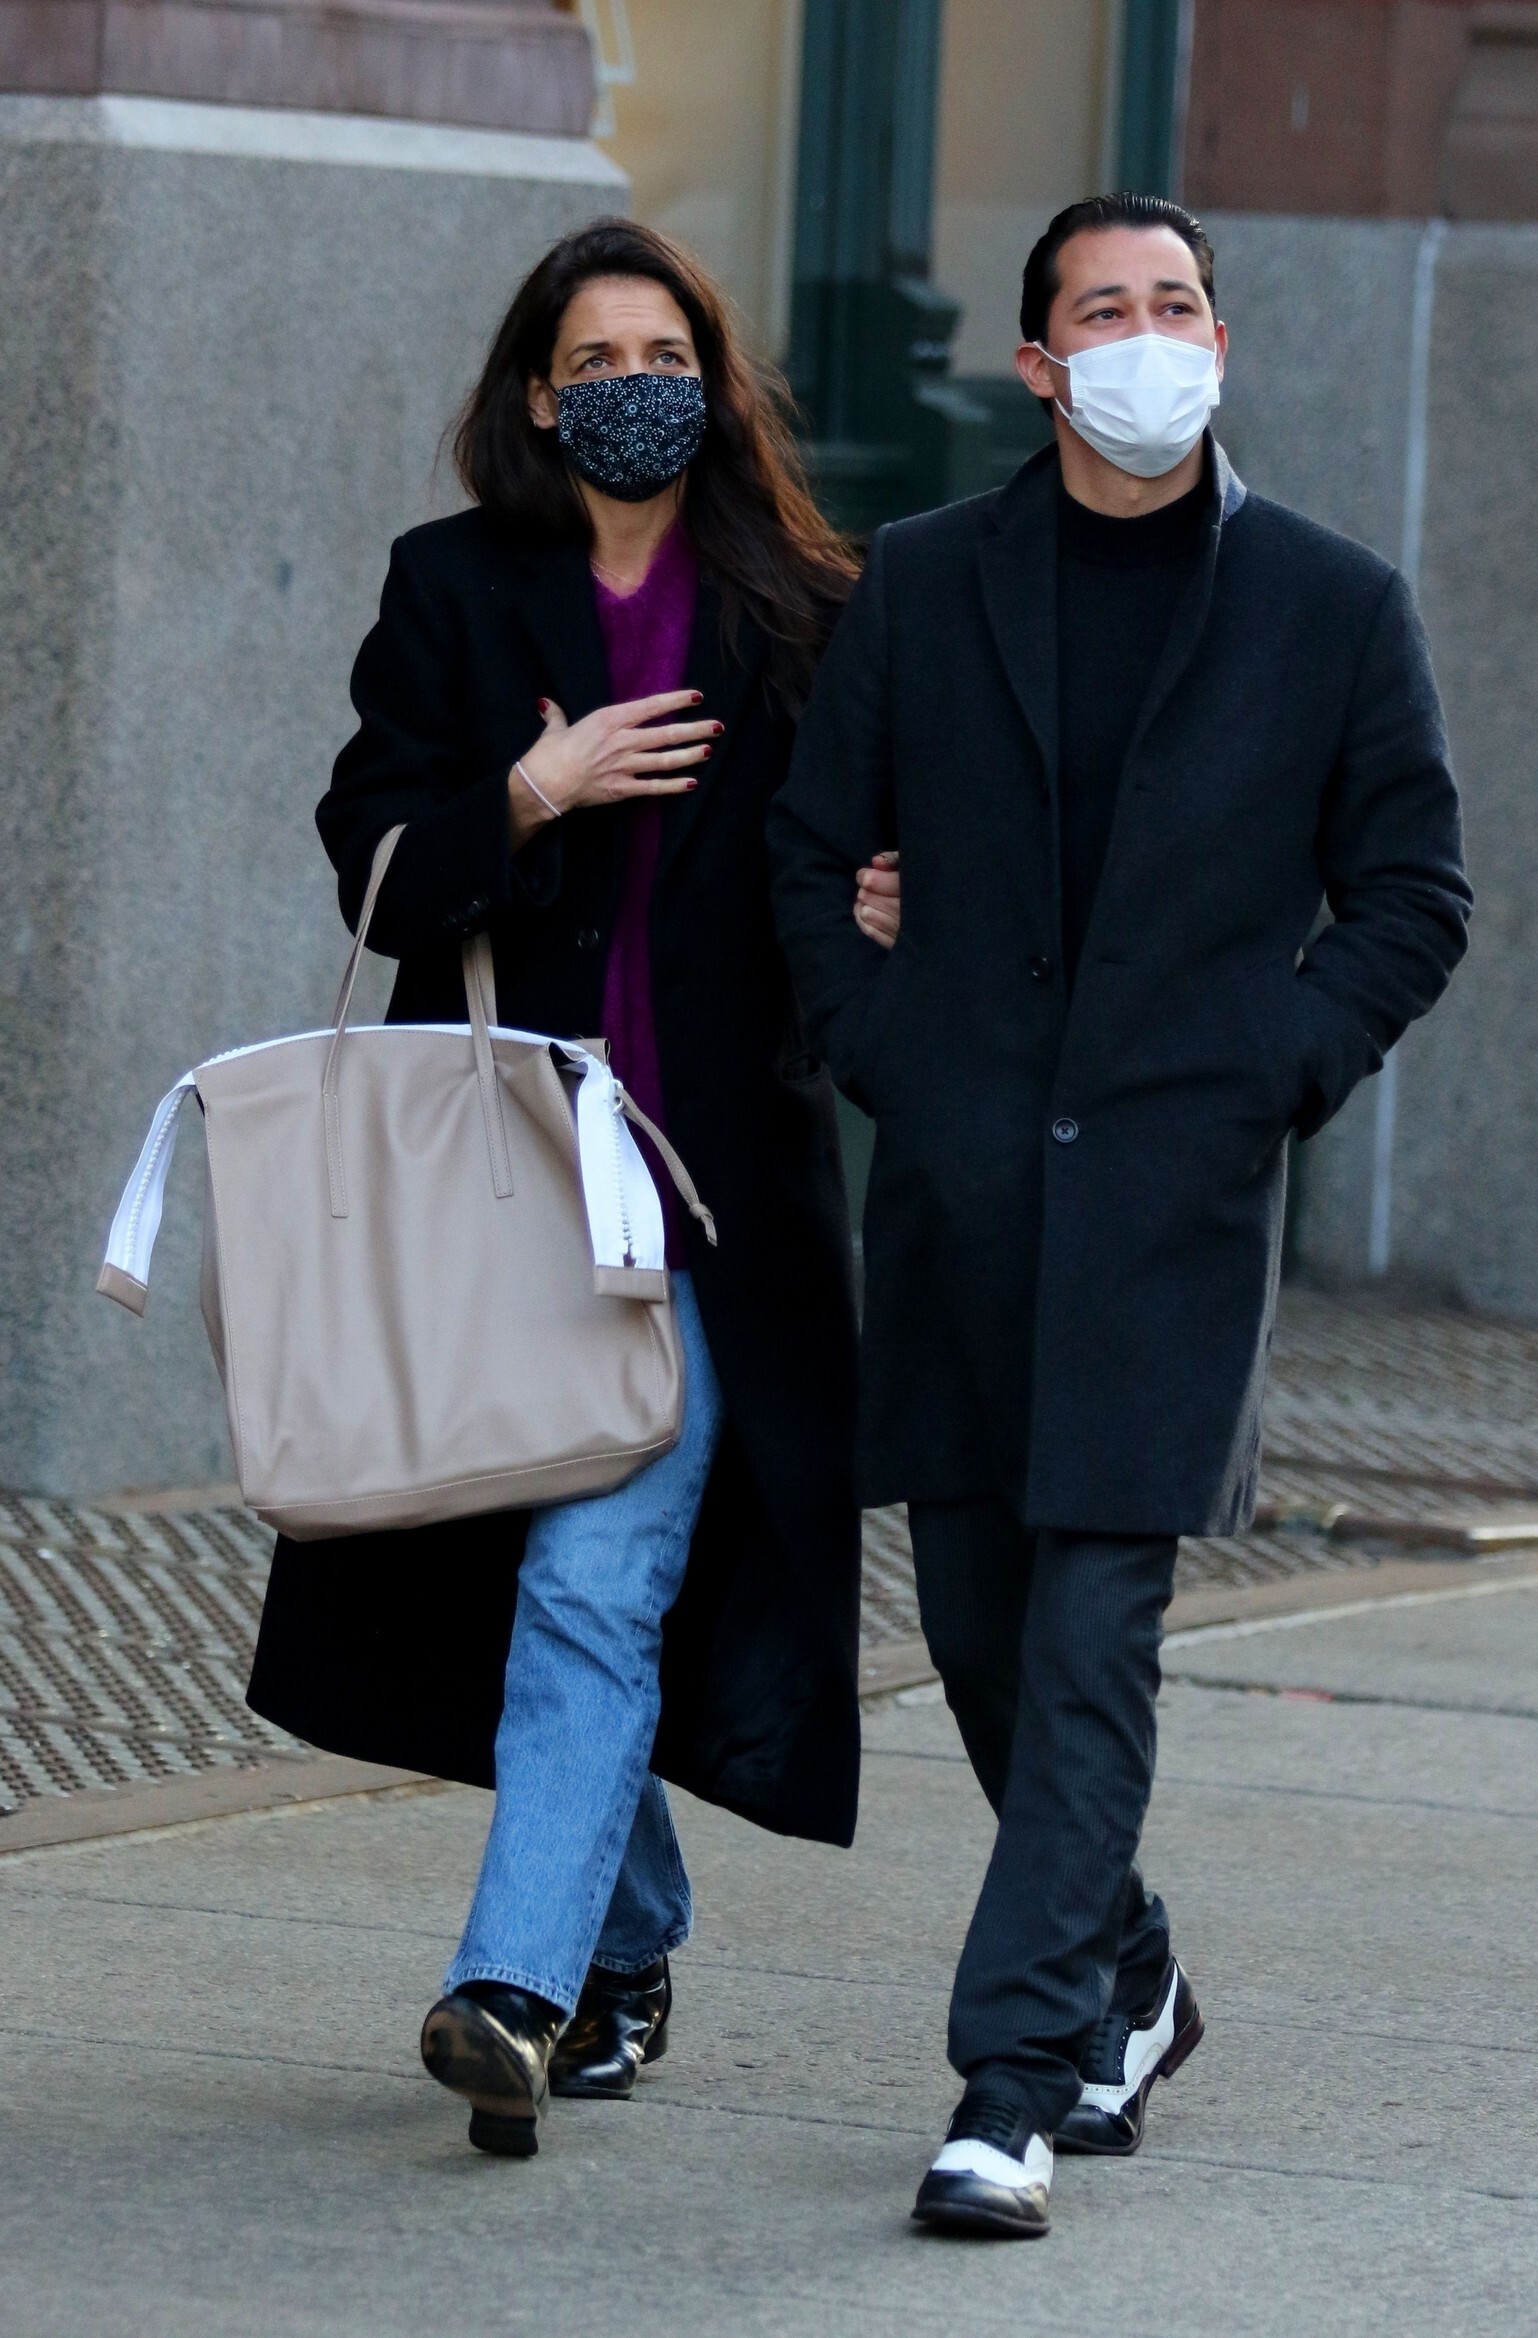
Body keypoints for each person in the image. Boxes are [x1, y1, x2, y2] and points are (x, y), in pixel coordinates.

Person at [769, 192, 1471, 2238]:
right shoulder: (923, 580)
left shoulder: (1332, 604)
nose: (1148, 333)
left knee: (1091, 1633)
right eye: (1105, 307)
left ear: (1218, 348)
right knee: (984, 1638)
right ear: (1039, 362)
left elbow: (1413, 892)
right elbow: (811, 853)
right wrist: (888, 1049)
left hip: (1172, 1214)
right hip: (967, 1199)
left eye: (1178, 303)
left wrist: (1271, 1065)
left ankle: (1009, 2081)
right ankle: (1131, 1970)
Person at [246, 218, 863, 2160]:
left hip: (700, 1206)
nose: (631, 388)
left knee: (597, 1575)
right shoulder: (451, 587)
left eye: (663, 355)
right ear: (536, 393)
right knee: (523, 1588)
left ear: (715, 383)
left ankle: (514, 1987)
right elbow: (367, 854)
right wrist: (529, 792)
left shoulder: (798, 608)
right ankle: (630, 1928)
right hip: (493, 1189)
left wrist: (883, 899)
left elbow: (858, 858)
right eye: (593, 359)